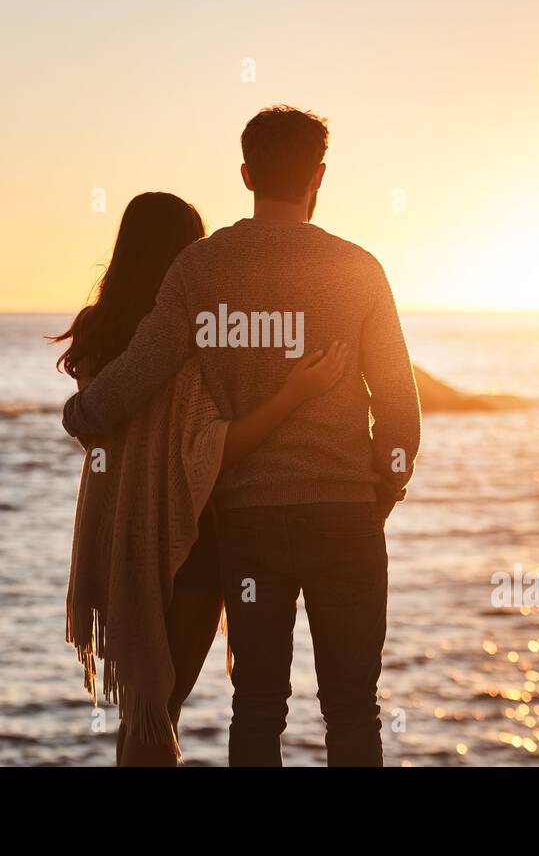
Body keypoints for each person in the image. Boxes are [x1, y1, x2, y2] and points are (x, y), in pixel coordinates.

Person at [62, 107, 421, 766]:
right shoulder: (360, 269)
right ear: (319, 175)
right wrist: (377, 495)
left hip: (251, 524)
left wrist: (80, 414)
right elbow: (400, 412)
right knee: (353, 707)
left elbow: (141, 371)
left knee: (258, 705)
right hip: (346, 517)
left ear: (247, 173)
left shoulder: (200, 268)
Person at [52, 190, 348, 765]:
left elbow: (100, 423)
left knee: (145, 707)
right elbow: (215, 447)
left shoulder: (98, 332)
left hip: (120, 538)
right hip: (190, 538)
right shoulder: (196, 344)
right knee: (160, 708)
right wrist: (295, 393)